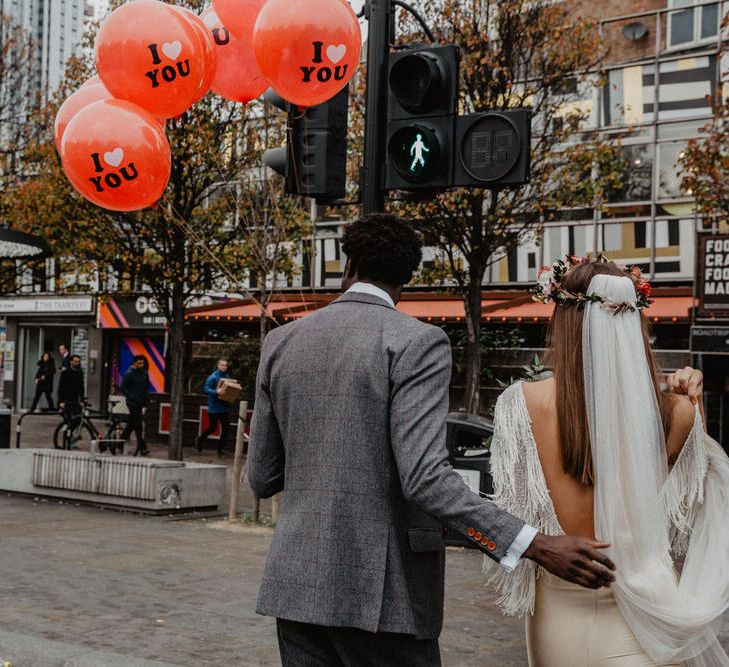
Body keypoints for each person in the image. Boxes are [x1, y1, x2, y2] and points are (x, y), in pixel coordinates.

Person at [247, 213, 618, 667]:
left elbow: (262, 477)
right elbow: (425, 479)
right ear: (408, 278)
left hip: (297, 587)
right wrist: (535, 544)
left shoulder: (281, 342)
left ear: (348, 266)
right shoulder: (416, 342)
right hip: (385, 594)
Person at [485, 255, 729, 666]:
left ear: (565, 321)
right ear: (635, 323)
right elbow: (694, 512)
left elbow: (514, 513)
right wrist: (691, 407)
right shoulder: (677, 414)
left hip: (557, 616)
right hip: (647, 614)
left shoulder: (520, 406)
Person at [197, 359, 232, 455]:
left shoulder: (228, 376)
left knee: (226, 429)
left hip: (225, 407)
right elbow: (206, 388)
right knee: (213, 427)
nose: (224, 367)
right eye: (222, 365)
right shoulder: (213, 377)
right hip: (214, 408)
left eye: (225, 365)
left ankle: (220, 449)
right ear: (218, 366)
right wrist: (215, 392)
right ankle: (200, 439)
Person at [120, 354, 150, 457]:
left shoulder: (145, 374)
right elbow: (123, 388)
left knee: (131, 424)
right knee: (138, 425)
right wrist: (131, 397)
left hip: (140, 402)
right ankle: (142, 447)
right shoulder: (129, 374)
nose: (141, 365)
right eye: (139, 363)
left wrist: (146, 399)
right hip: (132, 403)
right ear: (134, 363)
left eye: (143, 363)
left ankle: (120, 441)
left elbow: (146, 387)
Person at [57, 354, 84, 450]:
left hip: (75, 400)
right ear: (71, 362)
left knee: (79, 419)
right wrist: (61, 401)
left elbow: (81, 387)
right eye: (75, 361)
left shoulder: (80, 373)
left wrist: (82, 399)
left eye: (78, 361)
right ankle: (67, 437)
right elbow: (61, 388)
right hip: (67, 400)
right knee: (71, 420)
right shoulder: (65, 373)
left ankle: (71, 437)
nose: (77, 363)